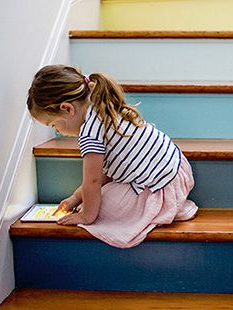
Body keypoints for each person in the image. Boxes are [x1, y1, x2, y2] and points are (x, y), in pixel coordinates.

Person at [27, 64, 198, 248]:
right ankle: (170, 206)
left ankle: (165, 208)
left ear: (67, 109)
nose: (58, 131)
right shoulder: (99, 104)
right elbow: (104, 174)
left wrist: (87, 216)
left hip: (160, 185)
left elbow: (93, 181)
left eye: (54, 125)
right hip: (175, 168)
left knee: (102, 209)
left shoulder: (89, 135)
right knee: (96, 198)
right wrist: (75, 198)